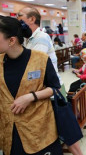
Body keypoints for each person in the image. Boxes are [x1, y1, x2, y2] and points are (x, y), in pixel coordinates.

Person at [17, 7, 83, 155]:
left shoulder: (40, 38)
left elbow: (33, 67)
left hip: (52, 93)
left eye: (20, 16)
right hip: (44, 92)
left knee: (67, 134)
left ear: (32, 19)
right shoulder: (29, 39)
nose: (17, 20)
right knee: (64, 134)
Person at [0, 16, 63, 155]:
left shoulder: (40, 59)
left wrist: (30, 97)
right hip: (9, 130)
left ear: (11, 40)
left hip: (38, 129)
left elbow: (55, 88)